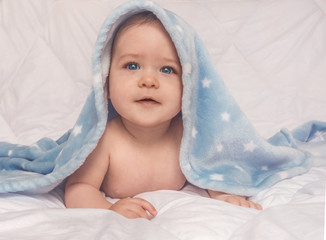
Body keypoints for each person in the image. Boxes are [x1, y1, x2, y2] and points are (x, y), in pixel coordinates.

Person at [64, 11, 262, 220]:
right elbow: (79, 187)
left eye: (167, 70)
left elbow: (209, 170)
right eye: (132, 65)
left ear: (188, 88)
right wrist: (108, 210)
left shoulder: (186, 136)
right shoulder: (103, 139)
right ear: (106, 85)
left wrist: (223, 194)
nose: (149, 80)